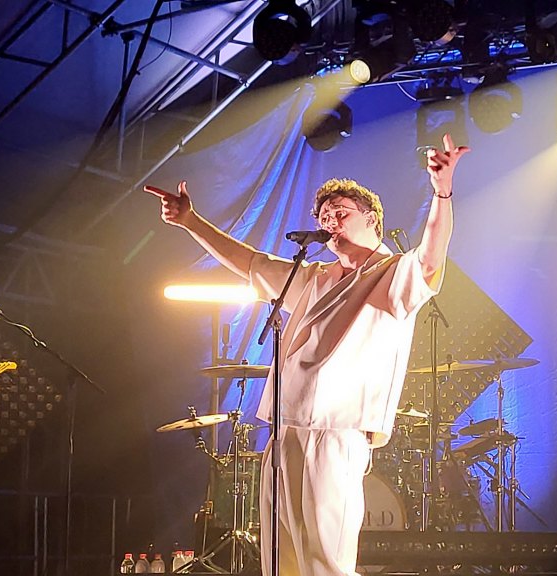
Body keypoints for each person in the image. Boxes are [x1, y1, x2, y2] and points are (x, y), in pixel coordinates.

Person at [146, 134, 469, 576]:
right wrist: (191, 222)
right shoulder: (314, 276)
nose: (331, 222)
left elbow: (430, 257)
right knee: (281, 558)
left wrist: (441, 192)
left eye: (341, 213)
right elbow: (251, 262)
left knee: (325, 558)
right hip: (285, 428)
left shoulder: (393, 274)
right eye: (324, 216)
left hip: (337, 431)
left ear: (372, 219)